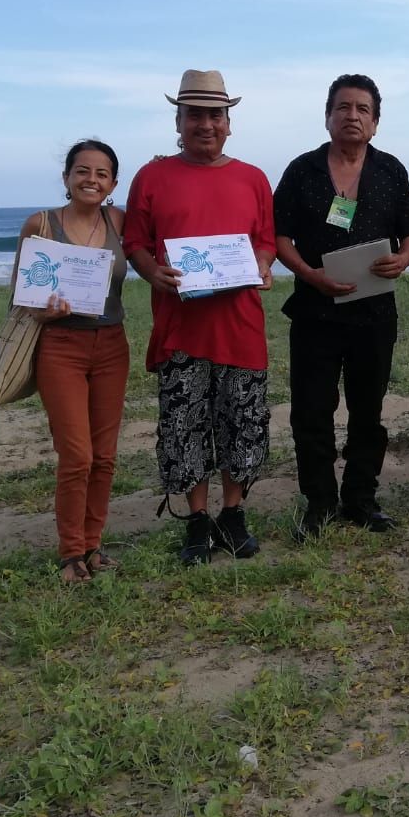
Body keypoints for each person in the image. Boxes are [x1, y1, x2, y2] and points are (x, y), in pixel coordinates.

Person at [123, 70, 276, 566]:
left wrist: (264, 266)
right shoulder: (152, 177)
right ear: (179, 120)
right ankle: (196, 523)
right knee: (184, 428)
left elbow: (266, 241)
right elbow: (135, 244)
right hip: (181, 327)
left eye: (215, 115)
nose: (205, 124)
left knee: (243, 424)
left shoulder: (253, 178)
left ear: (229, 122)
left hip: (241, 326)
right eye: (195, 115)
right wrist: (153, 272)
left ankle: (232, 516)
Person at [274, 73, 409, 539]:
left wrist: (403, 259)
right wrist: (310, 274)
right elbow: (279, 237)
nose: (352, 116)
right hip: (315, 311)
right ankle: (319, 503)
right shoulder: (302, 169)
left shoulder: (391, 170)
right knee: (311, 411)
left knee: (368, 411)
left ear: (375, 122)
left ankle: (361, 499)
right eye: (343, 107)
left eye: (362, 109)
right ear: (327, 117)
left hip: (374, 315)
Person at [13, 140, 130, 584]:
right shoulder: (40, 224)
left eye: (102, 174)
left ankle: (94, 546)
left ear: (113, 184)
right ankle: (70, 553)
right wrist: (43, 310)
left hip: (111, 345)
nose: (91, 180)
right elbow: (20, 295)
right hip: (60, 346)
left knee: (105, 456)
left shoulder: (118, 220)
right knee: (77, 455)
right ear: (66, 178)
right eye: (82, 171)